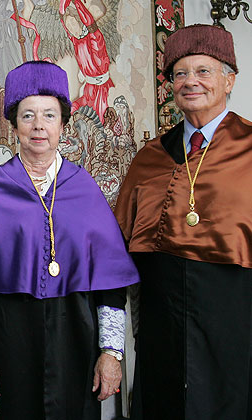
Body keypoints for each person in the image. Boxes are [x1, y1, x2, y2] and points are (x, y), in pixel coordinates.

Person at [0, 60, 139, 419]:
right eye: (28, 116)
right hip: (6, 345)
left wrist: (111, 354)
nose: (39, 126)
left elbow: (111, 284)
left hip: (75, 345)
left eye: (49, 116)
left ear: (63, 124)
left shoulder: (85, 190)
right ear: (13, 125)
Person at [114, 24, 251, 420]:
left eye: (203, 71)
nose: (190, 82)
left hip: (235, 318)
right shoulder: (150, 157)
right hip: (163, 324)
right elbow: (117, 241)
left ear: (229, 80)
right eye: (180, 74)